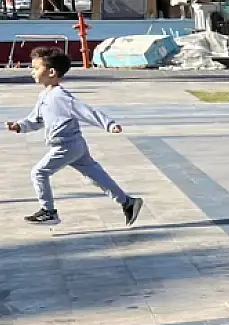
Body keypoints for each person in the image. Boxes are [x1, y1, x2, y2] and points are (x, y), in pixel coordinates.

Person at [8, 47, 142, 227]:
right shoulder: (44, 95)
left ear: (52, 72)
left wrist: (108, 124)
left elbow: (85, 111)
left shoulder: (60, 96)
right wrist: (20, 126)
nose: (32, 72)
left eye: (36, 68)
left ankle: (48, 211)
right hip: (75, 145)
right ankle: (127, 202)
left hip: (66, 146)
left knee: (39, 172)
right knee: (96, 176)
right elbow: (37, 119)